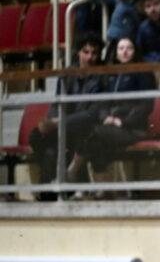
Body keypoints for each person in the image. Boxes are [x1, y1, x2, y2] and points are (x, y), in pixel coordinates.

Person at [66, 36, 155, 183]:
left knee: (92, 134)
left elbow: (146, 105)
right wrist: (104, 117)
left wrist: (123, 122)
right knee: (95, 144)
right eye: (121, 48)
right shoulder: (111, 74)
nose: (125, 52)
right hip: (109, 125)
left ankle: (72, 170)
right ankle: (104, 190)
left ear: (135, 51)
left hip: (132, 128)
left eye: (129, 48)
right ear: (116, 52)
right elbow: (103, 102)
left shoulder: (144, 73)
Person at [29, 35, 106, 188]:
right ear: (78, 53)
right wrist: (51, 121)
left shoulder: (102, 77)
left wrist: (57, 122)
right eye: (86, 52)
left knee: (53, 151)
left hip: (85, 127)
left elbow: (93, 114)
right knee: (37, 137)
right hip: (65, 125)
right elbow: (57, 103)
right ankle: (54, 189)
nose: (90, 57)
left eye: (94, 53)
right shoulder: (68, 74)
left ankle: (50, 191)